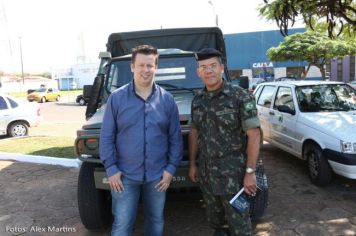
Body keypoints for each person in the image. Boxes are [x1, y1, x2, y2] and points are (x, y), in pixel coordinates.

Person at [100, 44, 183, 236]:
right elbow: (106, 137)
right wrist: (111, 169)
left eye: (150, 65)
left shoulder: (167, 100)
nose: (146, 70)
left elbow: (175, 139)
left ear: (156, 67)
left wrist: (170, 170)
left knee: (155, 223)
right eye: (141, 65)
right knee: (122, 225)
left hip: (158, 177)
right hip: (124, 177)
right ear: (132, 67)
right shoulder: (116, 99)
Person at [189, 48, 261, 236]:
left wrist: (250, 172)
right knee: (216, 225)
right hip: (207, 176)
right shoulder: (197, 100)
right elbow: (195, 131)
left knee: (240, 226)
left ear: (222, 68)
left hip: (235, 178)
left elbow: (254, 135)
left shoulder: (240, 96)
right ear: (198, 72)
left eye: (213, 65)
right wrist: (192, 164)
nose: (208, 70)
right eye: (203, 67)